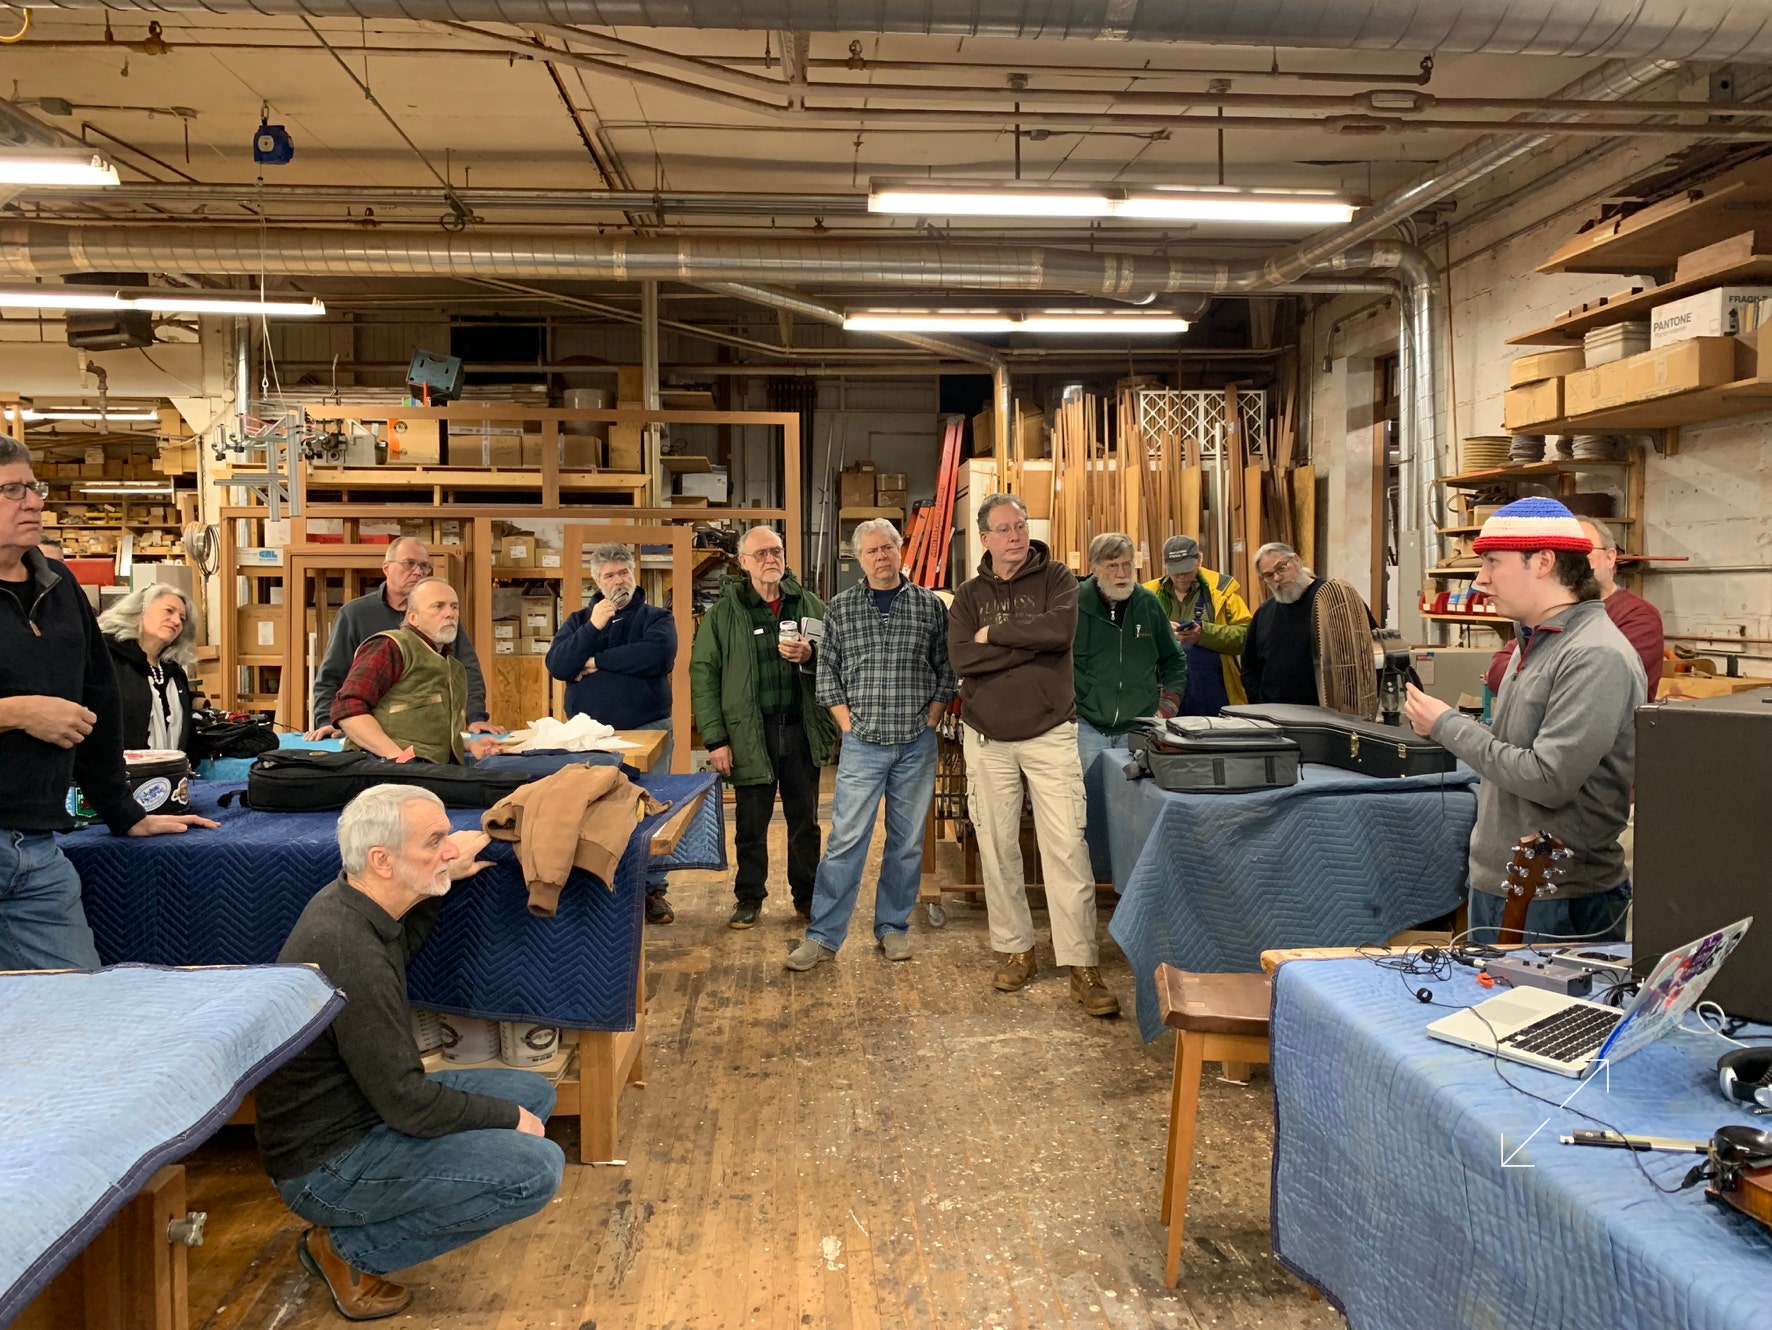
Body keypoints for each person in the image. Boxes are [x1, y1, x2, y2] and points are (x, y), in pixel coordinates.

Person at [254, 784, 563, 1321]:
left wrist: (437, 875)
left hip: (359, 1111)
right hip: (326, 1167)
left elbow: (402, 940)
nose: (451, 848)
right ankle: (345, 1250)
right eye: (435, 841)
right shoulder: (347, 949)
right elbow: (407, 1102)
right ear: (382, 860)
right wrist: (507, 1119)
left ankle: (377, 1225)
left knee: (533, 1092)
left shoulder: (353, 904)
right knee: (535, 1168)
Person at [0, 435, 216, 972]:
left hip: (38, 851)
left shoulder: (58, 585)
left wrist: (124, 811)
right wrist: (17, 711)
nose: (33, 502)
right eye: (11, 490)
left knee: (82, 1014)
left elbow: (99, 697)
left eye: (34, 486)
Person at [1404, 498, 1644, 944]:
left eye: (1494, 561)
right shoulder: (1532, 642)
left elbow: (1549, 778)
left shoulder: (1594, 654)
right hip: (1506, 883)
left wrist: (1446, 726)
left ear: (1544, 562)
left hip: (1555, 898)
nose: (1481, 579)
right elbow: (1509, 747)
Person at [947, 494, 1119, 1018]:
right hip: (987, 738)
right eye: (1003, 529)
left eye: (1020, 526)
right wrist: (1028, 645)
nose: (1015, 536)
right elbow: (962, 658)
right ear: (985, 539)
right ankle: (1016, 949)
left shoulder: (1058, 579)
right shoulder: (968, 595)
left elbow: (1059, 631)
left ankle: (1081, 964)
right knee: (998, 847)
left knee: (1067, 847)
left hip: (1049, 732)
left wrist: (995, 635)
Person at [785, 519, 956, 971]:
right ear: (858, 559)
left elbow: (946, 668)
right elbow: (827, 675)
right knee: (846, 840)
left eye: (887, 548)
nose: (881, 557)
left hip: (916, 744)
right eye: (871, 551)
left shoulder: (930, 607)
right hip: (862, 745)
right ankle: (823, 935)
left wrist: (933, 717)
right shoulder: (840, 609)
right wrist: (848, 726)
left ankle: (893, 927)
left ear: (900, 552)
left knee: (906, 842)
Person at [690, 525, 838, 928]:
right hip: (748, 734)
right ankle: (749, 897)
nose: (770, 559)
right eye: (761, 554)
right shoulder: (725, 614)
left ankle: (807, 897)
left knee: (804, 821)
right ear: (743, 563)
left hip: (800, 730)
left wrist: (812, 653)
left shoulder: (808, 605)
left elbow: (837, 660)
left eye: (776, 551)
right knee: (751, 823)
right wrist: (716, 739)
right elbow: (703, 676)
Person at [546, 542, 679, 924]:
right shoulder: (579, 621)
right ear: (597, 581)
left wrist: (593, 662)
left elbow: (656, 657)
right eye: (609, 576)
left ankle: (654, 890)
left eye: (623, 572)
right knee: (594, 810)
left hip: (648, 729)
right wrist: (594, 627)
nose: (618, 580)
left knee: (652, 806)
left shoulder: (657, 618)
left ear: (634, 574)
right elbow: (557, 664)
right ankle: (599, 890)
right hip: (591, 737)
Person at [307, 537, 499, 741]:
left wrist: (475, 716)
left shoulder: (440, 617)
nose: (417, 572)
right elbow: (331, 676)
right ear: (386, 568)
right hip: (369, 733)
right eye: (409, 564)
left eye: (424, 566)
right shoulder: (355, 615)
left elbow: (466, 667)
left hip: (427, 732)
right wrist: (328, 721)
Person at [1483, 516, 1665, 702]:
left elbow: (1595, 687)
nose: (1572, 563)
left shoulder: (1638, 616)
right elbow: (1499, 670)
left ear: (1610, 558)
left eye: (1584, 552)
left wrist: (1530, 676)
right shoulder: (1554, 614)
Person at [331, 578, 503, 765]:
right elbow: (348, 710)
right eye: (438, 606)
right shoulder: (390, 647)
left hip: (430, 769)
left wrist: (468, 744)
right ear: (413, 617)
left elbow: (422, 732)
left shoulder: (453, 667)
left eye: (454, 607)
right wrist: (397, 758)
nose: (450, 614)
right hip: (383, 769)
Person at [1074, 531, 1186, 775]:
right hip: (1085, 728)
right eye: (1112, 566)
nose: (1122, 574)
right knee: (1085, 805)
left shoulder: (1148, 603)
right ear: (1093, 567)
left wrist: (1167, 706)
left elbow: (1174, 660)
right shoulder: (1075, 603)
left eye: (1127, 564)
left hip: (1138, 729)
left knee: (1133, 807)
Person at [1143, 533, 1253, 715]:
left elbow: (1246, 636)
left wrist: (1203, 634)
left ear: (1199, 560)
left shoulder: (1222, 592)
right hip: (1162, 691)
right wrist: (1159, 633)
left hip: (1212, 691)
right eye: (1175, 570)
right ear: (1164, 565)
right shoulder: (1147, 594)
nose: (1180, 577)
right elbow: (1130, 638)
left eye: (1186, 570)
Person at [98, 583, 198, 756]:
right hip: (119, 775)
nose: (176, 621)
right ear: (141, 610)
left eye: (182, 619)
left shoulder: (174, 672)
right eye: (169, 611)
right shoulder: (108, 657)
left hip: (167, 776)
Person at [1240, 542, 1323, 705]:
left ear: (1296, 561)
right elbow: (1249, 666)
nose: (1277, 578)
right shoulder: (1264, 613)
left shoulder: (1333, 598)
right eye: (1269, 575)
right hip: (1275, 718)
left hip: (1326, 717)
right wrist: (1260, 704)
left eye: (1281, 568)